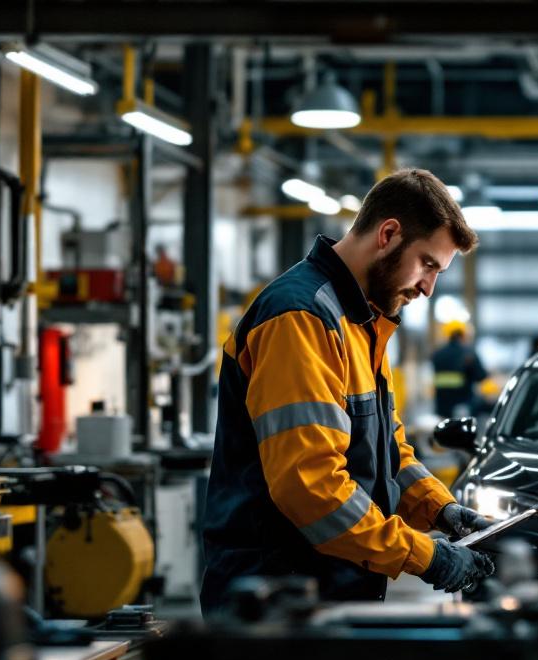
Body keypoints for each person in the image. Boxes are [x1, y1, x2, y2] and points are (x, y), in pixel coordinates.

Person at [201, 169, 494, 613]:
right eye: (428, 264)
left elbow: (387, 455)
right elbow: (311, 487)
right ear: (389, 234)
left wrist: (442, 511)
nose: (429, 288)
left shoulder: (360, 323)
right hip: (274, 602)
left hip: (322, 592)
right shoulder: (300, 317)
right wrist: (426, 556)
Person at [431, 320, 487, 419]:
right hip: (464, 405)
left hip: (442, 407)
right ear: (463, 335)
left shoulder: (437, 355)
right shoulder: (469, 353)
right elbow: (481, 376)